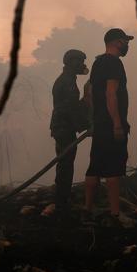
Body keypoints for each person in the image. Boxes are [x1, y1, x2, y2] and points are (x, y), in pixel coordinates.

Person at [85, 28, 133, 226]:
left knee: (95, 167)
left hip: (100, 123)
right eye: (125, 41)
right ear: (116, 42)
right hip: (111, 124)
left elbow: (88, 91)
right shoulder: (114, 63)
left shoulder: (98, 62)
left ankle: (87, 210)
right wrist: (117, 124)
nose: (127, 45)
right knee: (114, 169)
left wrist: (94, 119)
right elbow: (111, 94)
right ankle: (115, 214)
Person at [49, 49, 90, 214]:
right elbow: (69, 109)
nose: (83, 65)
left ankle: (62, 199)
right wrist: (85, 124)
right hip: (64, 128)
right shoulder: (67, 82)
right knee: (65, 164)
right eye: (80, 61)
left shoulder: (68, 79)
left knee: (65, 163)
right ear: (72, 63)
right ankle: (62, 202)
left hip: (63, 127)